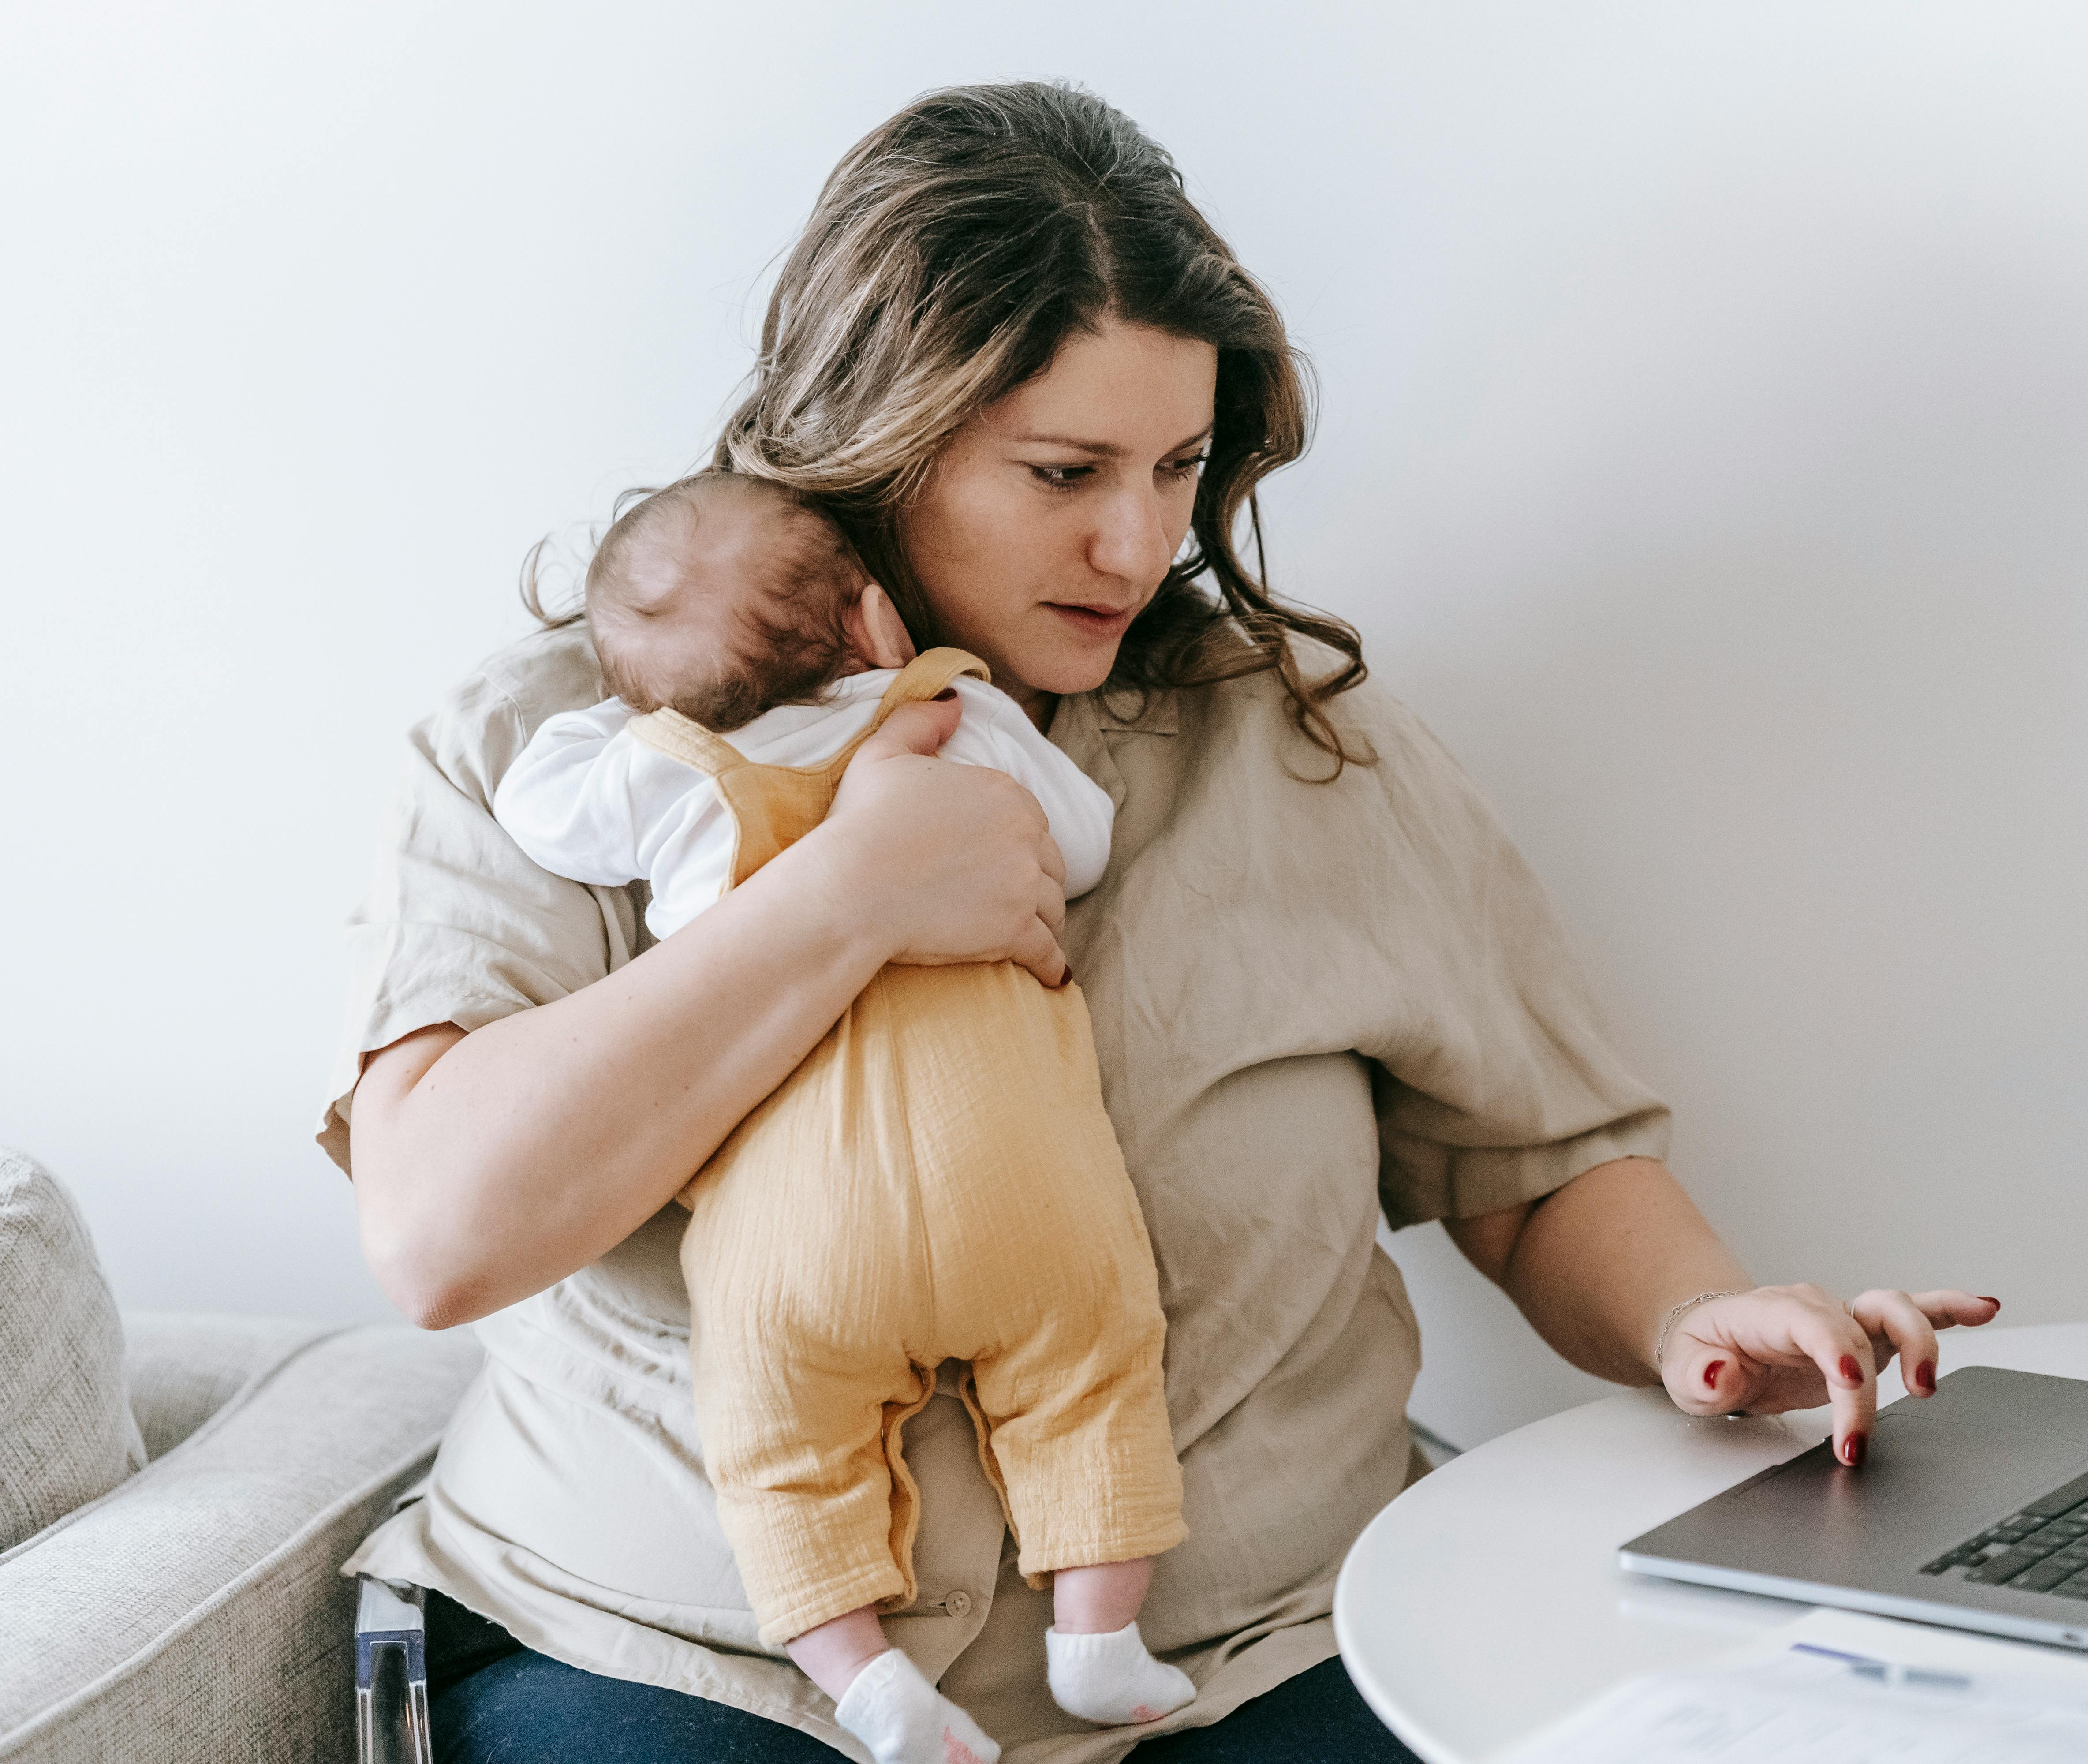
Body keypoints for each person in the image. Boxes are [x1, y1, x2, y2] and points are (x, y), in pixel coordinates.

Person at [332, 82, 1998, 1764]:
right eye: (1065, 471)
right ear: (878, 440)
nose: (1136, 543)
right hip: (682, 1657)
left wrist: (1690, 1321)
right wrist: (843, 901)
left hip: (1260, 1649)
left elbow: (1538, 1162)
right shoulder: (564, 748)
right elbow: (442, 1236)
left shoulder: (1302, 745)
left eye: (1179, 469)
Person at [490, 469, 1195, 1762]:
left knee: (777, 1443)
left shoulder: (676, 775)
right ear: (874, 619)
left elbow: (538, 804)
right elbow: (1083, 843)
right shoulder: (949, 714)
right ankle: (1098, 1638)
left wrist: (630, 711)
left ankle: (865, 1682)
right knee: (1097, 1368)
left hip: (798, 1221)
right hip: (1017, 1173)